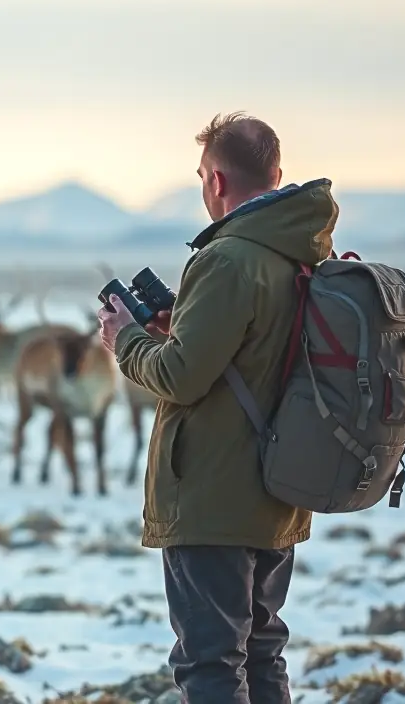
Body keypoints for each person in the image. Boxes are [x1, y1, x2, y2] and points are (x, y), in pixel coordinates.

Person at [96, 111, 337, 704]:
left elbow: (179, 377)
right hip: (279, 489)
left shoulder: (227, 259)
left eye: (203, 175)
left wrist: (125, 338)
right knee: (260, 654)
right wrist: (181, 326)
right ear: (276, 173)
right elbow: (254, 352)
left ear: (216, 182)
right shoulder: (300, 255)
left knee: (209, 664)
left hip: (213, 497)